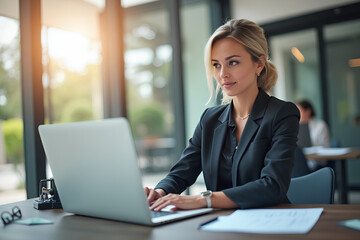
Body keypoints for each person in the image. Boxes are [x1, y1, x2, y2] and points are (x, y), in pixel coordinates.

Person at [145, 19, 300, 211]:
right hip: (220, 225)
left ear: (259, 64)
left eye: (233, 62)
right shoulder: (209, 119)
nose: (222, 74)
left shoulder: (282, 114)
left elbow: (272, 186)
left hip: (269, 222)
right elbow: (182, 172)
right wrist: (158, 193)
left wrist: (204, 199)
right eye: (216, 65)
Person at [296, 100, 330, 170]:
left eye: (299, 111)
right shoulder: (293, 127)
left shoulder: (320, 125)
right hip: (297, 163)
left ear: (308, 111)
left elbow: (325, 147)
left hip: (316, 162)